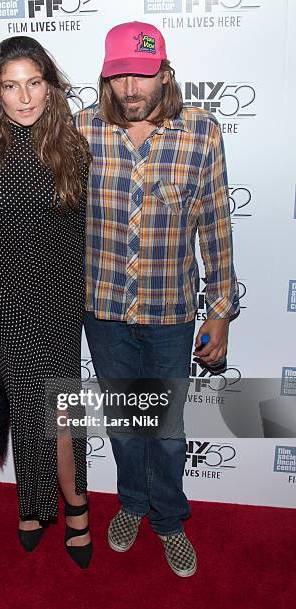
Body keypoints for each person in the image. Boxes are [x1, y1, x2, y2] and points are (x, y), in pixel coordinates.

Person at [75, 21, 239, 577]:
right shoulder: (80, 132)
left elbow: (216, 225)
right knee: (123, 424)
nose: (129, 88)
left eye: (141, 74)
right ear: (105, 76)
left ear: (164, 73)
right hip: (103, 310)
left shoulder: (201, 133)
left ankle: (168, 518)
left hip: (171, 311)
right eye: (118, 74)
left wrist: (220, 313)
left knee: (167, 431)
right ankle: (131, 504)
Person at [0, 36, 92, 569]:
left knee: (61, 405)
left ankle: (74, 502)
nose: (25, 97)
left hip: (60, 295)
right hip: (4, 297)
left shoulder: (73, 147)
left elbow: (85, 230)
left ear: (50, 87)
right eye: (11, 86)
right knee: (28, 403)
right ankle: (34, 502)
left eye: (34, 83)